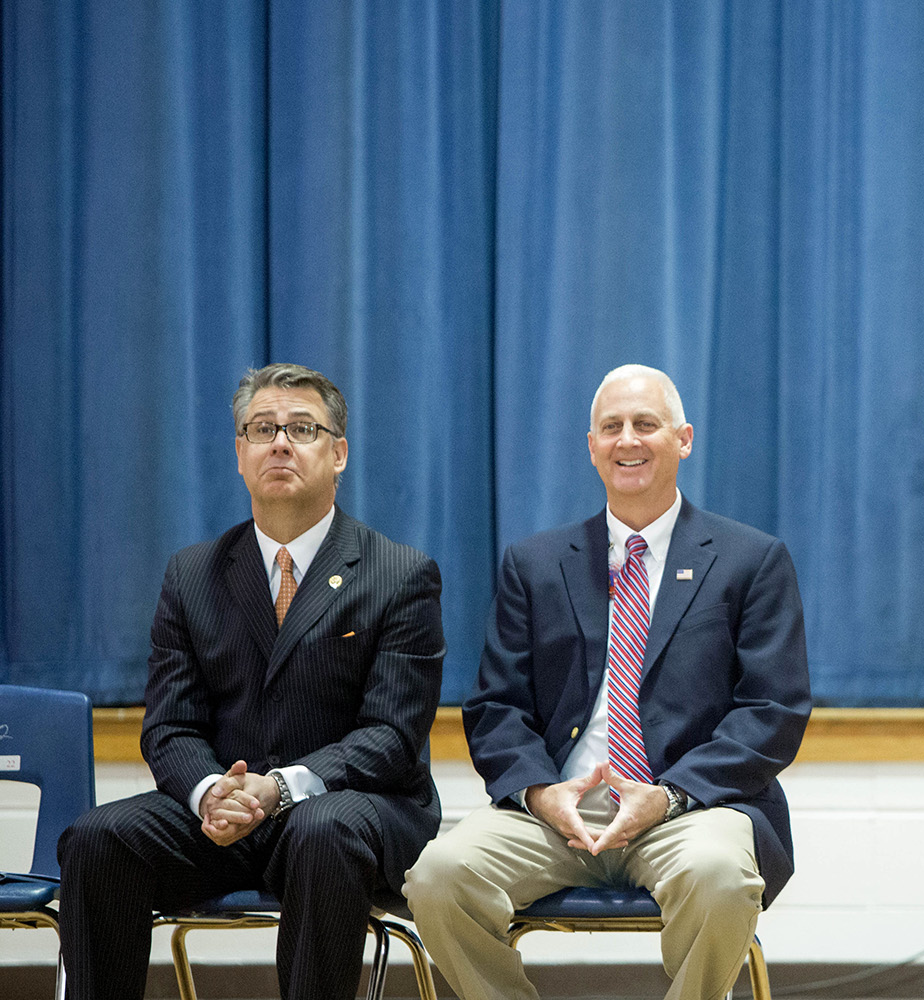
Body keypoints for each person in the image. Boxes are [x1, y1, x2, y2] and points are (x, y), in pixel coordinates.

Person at [404, 364, 811, 1000]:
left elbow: (773, 710)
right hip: (559, 809)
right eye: (612, 427)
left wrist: (672, 795)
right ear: (591, 446)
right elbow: (495, 707)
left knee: (721, 878)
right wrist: (541, 794)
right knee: (437, 876)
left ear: (683, 438)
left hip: (692, 808)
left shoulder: (749, 560)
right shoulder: (534, 564)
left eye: (646, 424)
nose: (628, 440)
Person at [58, 363, 445, 1000]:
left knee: (323, 831)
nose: (280, 443)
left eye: (303, 429)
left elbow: (392, 736)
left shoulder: (399, 574)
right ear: (240, 453)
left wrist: (279, 790)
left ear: (339, 453)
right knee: (98, 840)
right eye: (262, 429)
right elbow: (171, 726)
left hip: (353, 808)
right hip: (227, 815)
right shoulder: (193, 574)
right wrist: (211, 793)